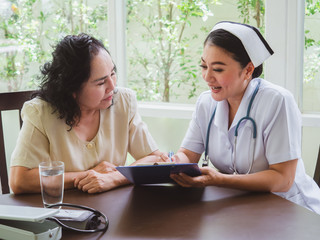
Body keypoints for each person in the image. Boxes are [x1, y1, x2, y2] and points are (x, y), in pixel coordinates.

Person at [170, 21, 320, 214]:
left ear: (248, 70)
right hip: (240, 206)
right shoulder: (206, 103)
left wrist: (220, 180)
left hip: (291, 209)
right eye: (203, 65)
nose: (207, 77)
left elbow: (283, 179)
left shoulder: (277, 101)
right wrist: (173, 162)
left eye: (218, 69)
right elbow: (188, 155)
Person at [10, 33, 166, 194]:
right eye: (100, 82)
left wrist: (115, 178)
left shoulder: (124, 102)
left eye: (113, 73)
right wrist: (90, 176)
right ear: (72, 89)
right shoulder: (40, 112)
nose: (112, 86)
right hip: (65, 212)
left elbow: (156, 159)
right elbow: (19, 180)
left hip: (114, 208)